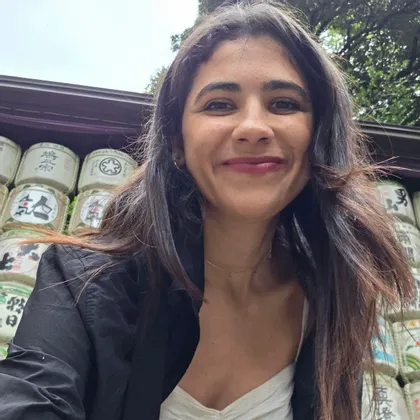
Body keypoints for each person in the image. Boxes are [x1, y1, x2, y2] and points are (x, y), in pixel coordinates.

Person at [0, 1, 413, 420]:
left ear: (318, 134)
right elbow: (30, 394)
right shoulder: (80, 283)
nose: (253, 127)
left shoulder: (333, 299)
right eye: (219, 104)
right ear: (177, 142)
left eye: (284, 103)